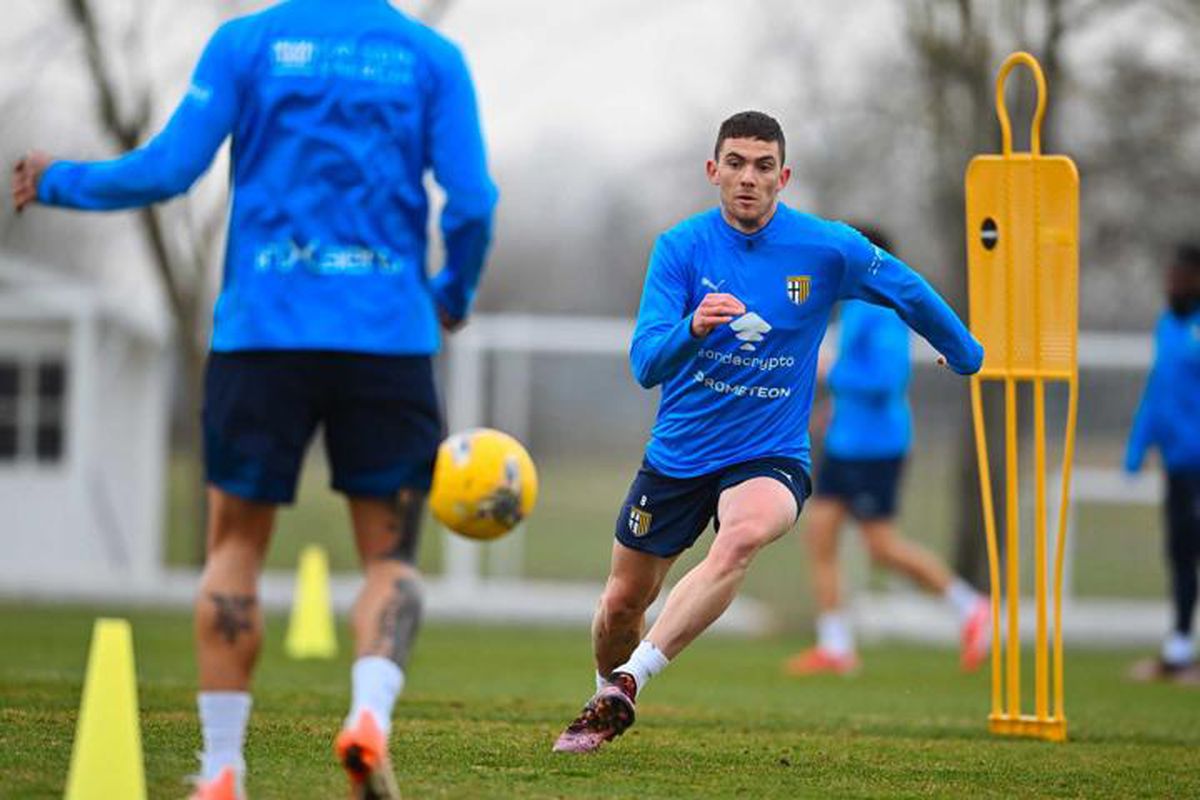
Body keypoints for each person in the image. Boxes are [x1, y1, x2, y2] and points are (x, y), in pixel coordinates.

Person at [11, 1, 497, 797]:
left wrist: (59, 178)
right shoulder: (429, 58)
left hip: (263, 334)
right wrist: (452, 291)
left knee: (234, 548)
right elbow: (473, 201)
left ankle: (223, 767)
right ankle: (368, 716)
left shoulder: (247, 43)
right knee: (389, 560)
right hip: (387, 338)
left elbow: (169, 169)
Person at [551, 111, 983, 754]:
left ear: (784, 177)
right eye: (735, 163)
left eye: (762, 166)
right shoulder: (680, 248)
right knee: (622, 603)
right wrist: (693, 328)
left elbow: (908, 289)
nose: (748, 178)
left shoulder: (828, 248)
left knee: (741, 538)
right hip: (679, 455)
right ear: (713, 171)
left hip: (770, 453)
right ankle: (604, 696)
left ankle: (632, 680)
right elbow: (645, 365)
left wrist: (966, 351)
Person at [783, 226, 989, 678]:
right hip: (846, 443)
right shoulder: (853, 305)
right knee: (819, 534)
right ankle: (835, 646)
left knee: (881, 548)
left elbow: (887, 380)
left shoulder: (884, 309)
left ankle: (971, 607)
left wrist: (832, 374)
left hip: (877, 447)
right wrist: (835, 409)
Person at [1125, 243, 1200, 684]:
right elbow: (1157, 390)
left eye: (1182, 278)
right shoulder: (1167, 326)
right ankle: (1178, 650)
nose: (1173, 285)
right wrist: (1138, 446)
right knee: (1180, 553)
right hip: (1178, 463)